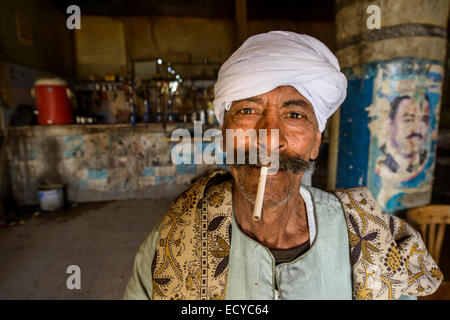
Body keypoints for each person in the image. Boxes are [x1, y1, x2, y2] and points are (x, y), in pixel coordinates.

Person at [124, 31, 442, 300]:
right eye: (248, 111)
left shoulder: (369, 234)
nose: (269, 138)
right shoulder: (174, 236)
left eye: (294, 115)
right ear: (224, 136)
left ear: (316, 142)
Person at [376, 95, 430, 180]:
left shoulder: (425, 160)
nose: (417, 129)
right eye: (408, 120)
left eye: (424, 120)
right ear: (389, 124)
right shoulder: (382, 161)